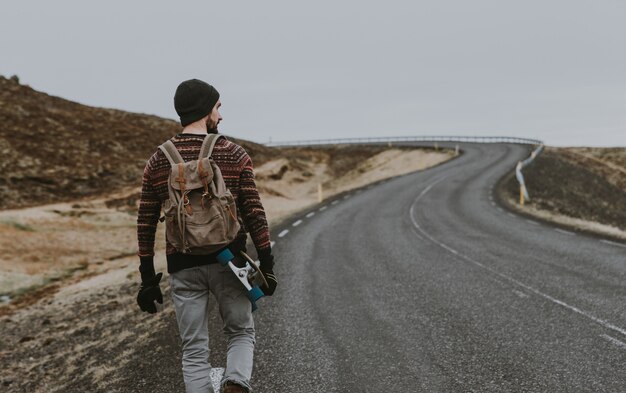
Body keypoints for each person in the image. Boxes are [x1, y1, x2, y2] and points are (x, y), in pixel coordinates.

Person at [136, 78, 277, 393]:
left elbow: (145, 221)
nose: (220, 115)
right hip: (230, 263)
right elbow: (254, 212)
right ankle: (236, 383)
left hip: (183, 266)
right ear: (205, 111)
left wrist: (148, 278)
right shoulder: (233, 153)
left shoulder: (158, 160)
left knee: (193, 347)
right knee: (240, 332)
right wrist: (266, 261)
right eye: (217, 107)